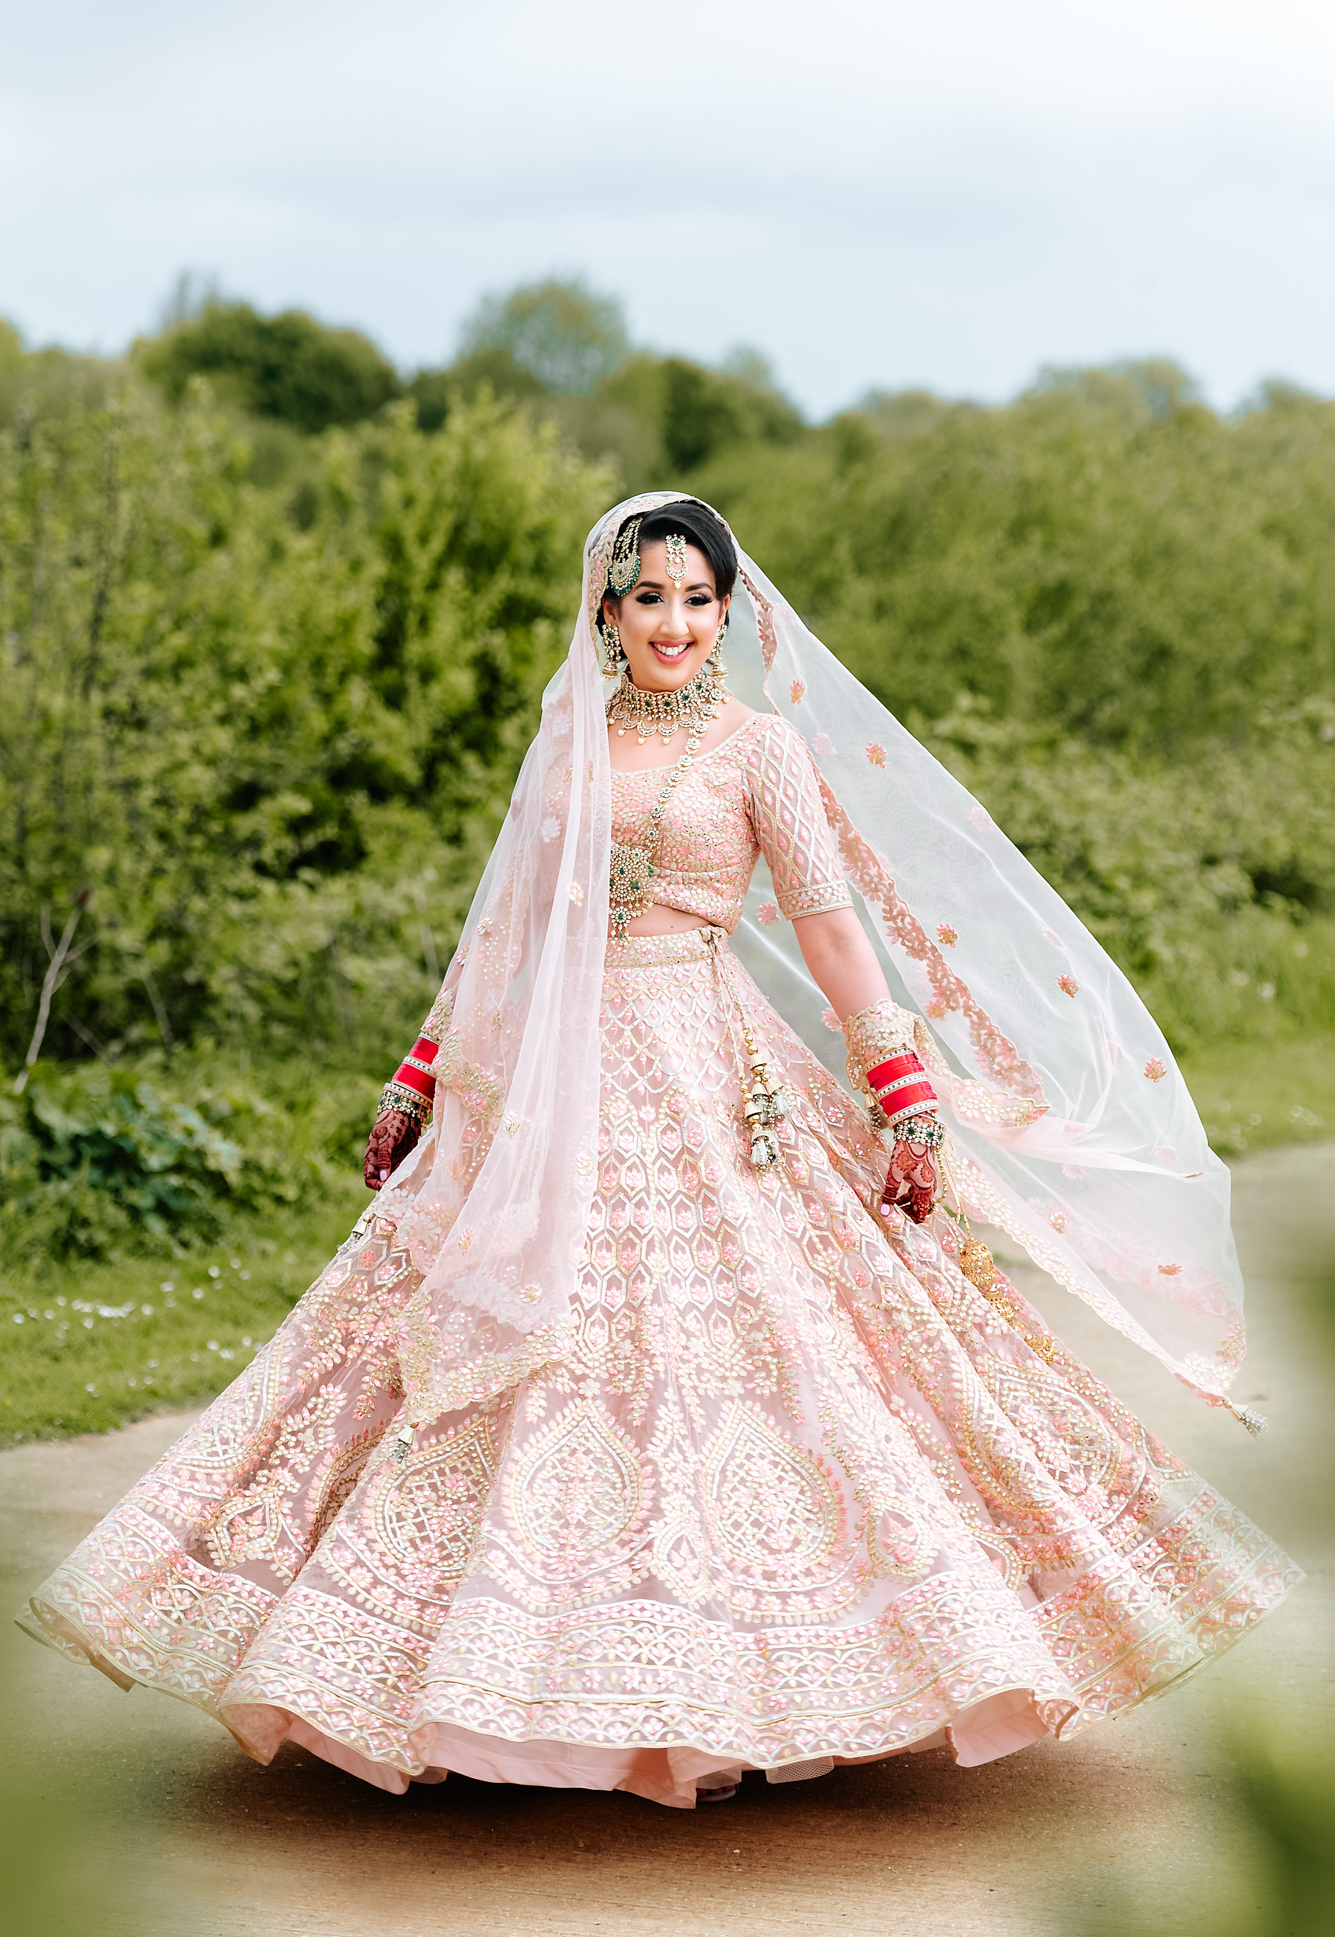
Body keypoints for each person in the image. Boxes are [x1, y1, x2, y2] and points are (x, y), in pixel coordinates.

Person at [23, 494, 1300, 1809]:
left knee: (771, 1344)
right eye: (650, 599)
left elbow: (830, 929)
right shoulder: (564, 738)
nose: (675, 624)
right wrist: (418, 1072)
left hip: (709, 1065)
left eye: (699, 600)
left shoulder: (761, 756)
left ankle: (756, 1680)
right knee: (501, 1339)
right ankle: (486, 1685)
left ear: (728, 612)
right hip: (547, 1080)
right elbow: (505, 933)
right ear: (607, 609)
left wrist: (900, 1085)